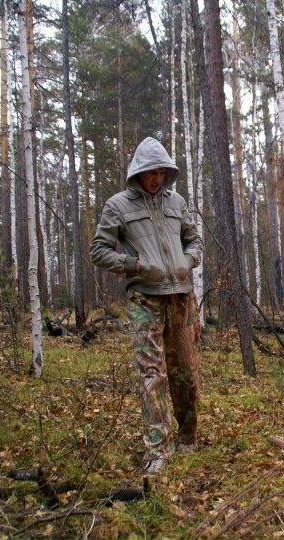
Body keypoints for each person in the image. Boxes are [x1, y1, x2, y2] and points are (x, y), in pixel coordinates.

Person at [90, 137, 203, 475]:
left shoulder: (177, 201)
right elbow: (98, 250)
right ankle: (158, 448)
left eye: (161, 172)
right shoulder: (118, 206)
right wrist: (134, 265)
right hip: (144, 300)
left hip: (181, 297)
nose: (156, 178)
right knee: (153, 375)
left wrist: (188, 260)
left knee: (186, 371)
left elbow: (193, 239)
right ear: (137, 172)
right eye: (150, 172)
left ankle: (188, 439)